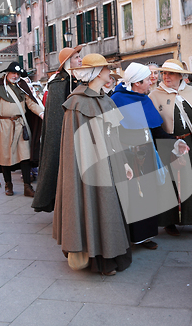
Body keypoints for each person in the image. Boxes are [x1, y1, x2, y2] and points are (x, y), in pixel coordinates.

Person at [53, 53, 133, 275]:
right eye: (106, 69)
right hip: (89, 169)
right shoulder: (76, 103)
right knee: (93, 207)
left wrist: (124, 163)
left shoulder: (106, 99)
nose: (109, 73)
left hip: (111, 164)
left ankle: (112, 254)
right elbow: (73, 147)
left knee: (111, 209)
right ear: (97, 73)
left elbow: (115, 135)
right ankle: (98, 259)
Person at [111, 62, 183, 250]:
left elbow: (155, 129)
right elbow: (113, 132)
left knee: (149, 194)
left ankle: (146, 235)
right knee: (133, 196)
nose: (151, 82)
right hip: (128, 156)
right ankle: (130, 235)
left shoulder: (143, 98)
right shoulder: (117, 99)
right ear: (136, 83)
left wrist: (174, 142)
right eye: (147, 80)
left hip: (147, 153)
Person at [149, 59, 192, 237]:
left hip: (189, 143)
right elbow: (153, 126)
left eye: (170, 73)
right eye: (164, 73)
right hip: (167, 145)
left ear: (180, 76)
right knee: (169, 185)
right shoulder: (155, 95)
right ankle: (168, 222)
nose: (166, 76)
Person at [0, 62, 44, 197]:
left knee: (25, 156)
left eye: (18, 74)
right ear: (7, 73)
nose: (15, 76)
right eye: (13, 73)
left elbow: (31, 103)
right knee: (4, 157)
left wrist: (42, 113)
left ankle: (27, 187)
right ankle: (8, 184)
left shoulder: (22, 87)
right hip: (2, 127)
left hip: (19, 125)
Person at [32, 46, 82, 212]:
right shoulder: (57, 83)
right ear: (67, 61)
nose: (80, 60)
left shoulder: (78, 81)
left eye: (79, 57)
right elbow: (55, 117)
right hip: (63, 135)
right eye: (76, 57)